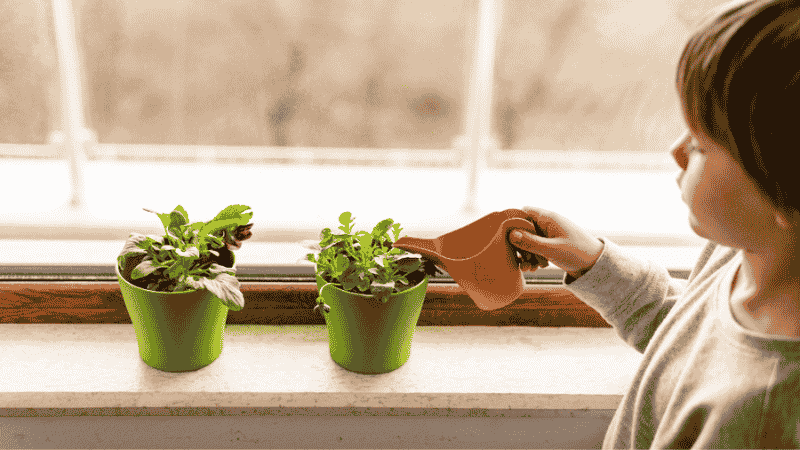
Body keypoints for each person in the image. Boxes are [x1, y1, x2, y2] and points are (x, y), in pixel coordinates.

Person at [508, 0, 800, 447]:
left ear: (785, 186)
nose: (676, 151)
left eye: (702, 144)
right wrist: (594, 263)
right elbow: (691, 343)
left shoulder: (761, 416)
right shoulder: (745, 252)